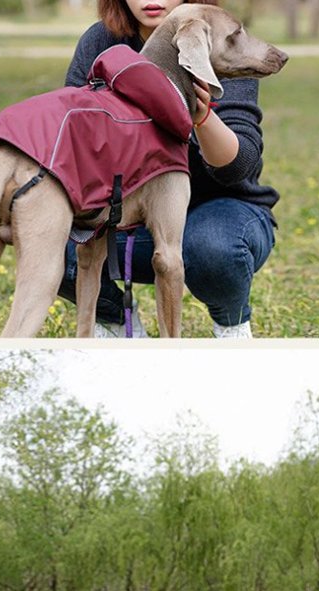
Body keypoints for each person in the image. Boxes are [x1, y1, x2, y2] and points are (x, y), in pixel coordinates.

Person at [57, 0, 280, 338]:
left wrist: (202, 117)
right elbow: (72, 140)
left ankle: (231, 325)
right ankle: (118, 322)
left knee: (214, 248)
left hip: (217, 210)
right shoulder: (101, 42)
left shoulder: (219, 36)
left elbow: (239, 168)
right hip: (127, 216)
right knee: (48, 239)